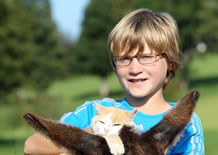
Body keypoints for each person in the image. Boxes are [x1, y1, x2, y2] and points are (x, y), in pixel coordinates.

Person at [24, 8, 204, 154]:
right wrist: (94, 135)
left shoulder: (185, 123)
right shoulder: (94, 112)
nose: (134, 69)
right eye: (124, 59)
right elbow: (32, 147)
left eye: (147, 57)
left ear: (171, 62)